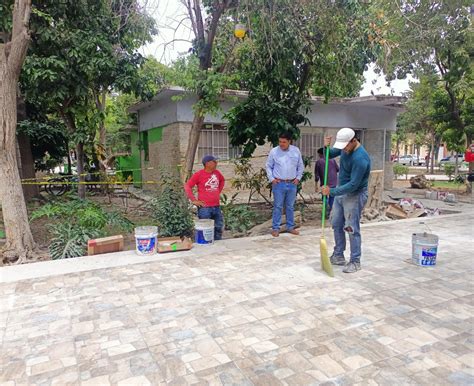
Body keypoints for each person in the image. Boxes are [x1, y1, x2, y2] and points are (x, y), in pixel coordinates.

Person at [321, 128, 371, 273]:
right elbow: (328, 155)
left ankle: (355, 261)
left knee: (351, 228)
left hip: (354, 195)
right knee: (336, 222)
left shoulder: (360, 158)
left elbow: (353, 184)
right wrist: (326, 146)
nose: (343, 149)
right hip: (341, 193)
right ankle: (338, 255)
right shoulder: (345, 148)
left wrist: (331, 191)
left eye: (345, 146)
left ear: (353, 141)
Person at [266, 132, 304, 237]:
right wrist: (272, 179)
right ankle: (275, 228)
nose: (281, 144)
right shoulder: (274, 151)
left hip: (292, 183)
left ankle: (290, 227)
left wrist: (298, 178)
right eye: (280, 141)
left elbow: (300, 166)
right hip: (278, 183)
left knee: (290, 206)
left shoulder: (296, 151)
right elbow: (268, 166)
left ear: (289, 142)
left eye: (284, 142)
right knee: (278, 206)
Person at [184, 155, 225, 240]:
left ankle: (218, 246)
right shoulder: (198, 174)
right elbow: (187, 186)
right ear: (207, 164)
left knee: (218, 227)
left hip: (216, 206)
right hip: (204, 208)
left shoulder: (217, 173)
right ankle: (206, 246)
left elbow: (222, 180)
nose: (216, 163)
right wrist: (194, 200)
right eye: (214, 161)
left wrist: (218, 191)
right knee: (205, 229)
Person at [314, 147, 339, 215]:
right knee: (332, 197)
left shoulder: (319, 162)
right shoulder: (333, 160)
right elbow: (337, 169)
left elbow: (316, 175)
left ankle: (326, 210)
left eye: (319, 154)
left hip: (325, 183)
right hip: (333, 182)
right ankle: (331, 210)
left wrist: (316, 185)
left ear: (320, 154)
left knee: (324, 197)